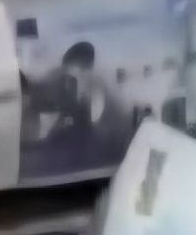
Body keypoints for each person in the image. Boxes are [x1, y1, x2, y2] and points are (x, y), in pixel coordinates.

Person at [28, 42, 138, 174]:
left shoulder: (118, 115)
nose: (68, 85)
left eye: (72, 79)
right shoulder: (69, 114)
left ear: (87, 72)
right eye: (67, 79)